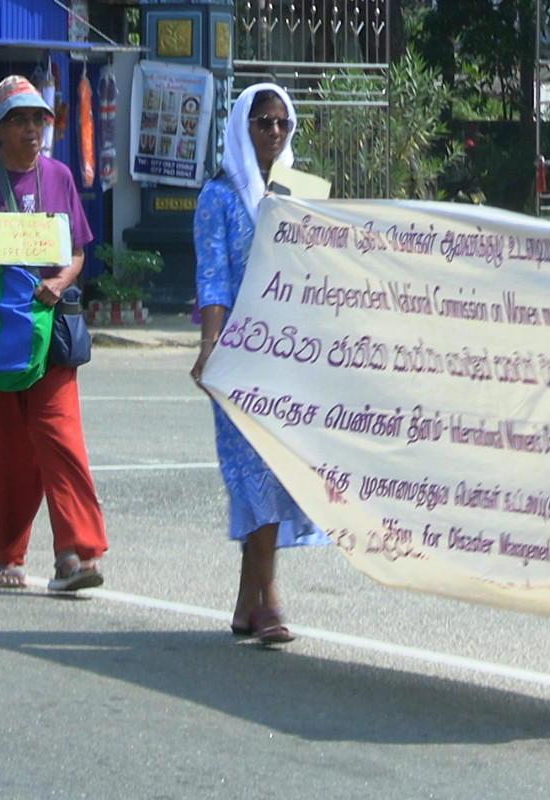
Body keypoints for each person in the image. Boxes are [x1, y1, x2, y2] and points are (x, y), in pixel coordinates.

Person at [0, 75, 107, 591]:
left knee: (62, 439)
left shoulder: (60, 176)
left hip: (51, 333)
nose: (31, 129)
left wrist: (60, 281)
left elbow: (77, 252)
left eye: (37, 119)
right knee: (4, 451)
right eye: (18, 120)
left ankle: (77, 553)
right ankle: (7, 554)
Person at [190, 83, 329, 644]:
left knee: (279, 471)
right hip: (239, 352)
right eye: (263, 122)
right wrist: (209, 345)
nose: (273, 132)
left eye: (282, 123)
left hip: (289, 353)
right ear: (242, 127)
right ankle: (269, 601)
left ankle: (249, 601)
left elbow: (317, 271)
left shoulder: (300, 192)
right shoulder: (219, 197)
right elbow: (212, 277)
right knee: (252, 473)